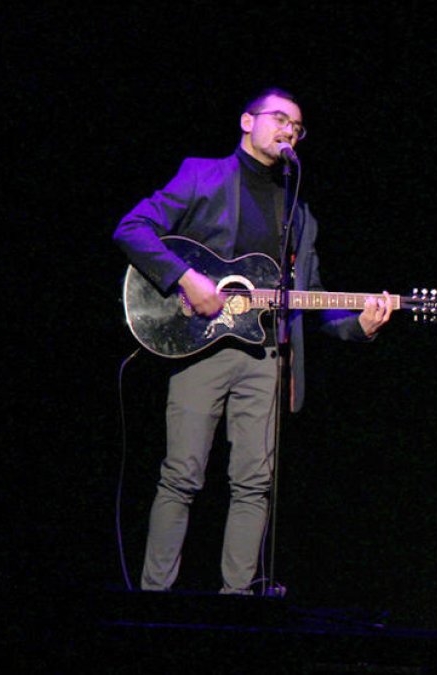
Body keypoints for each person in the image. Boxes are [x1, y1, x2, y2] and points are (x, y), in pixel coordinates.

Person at [113, 87, 393, 595]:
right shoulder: (202, 175)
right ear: (247, 121)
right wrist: (186, 278)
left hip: (265, 357)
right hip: (201, 348)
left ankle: (238, 599)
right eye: (280, 119)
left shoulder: (299, 214)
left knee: (254, 483)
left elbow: (311, 299)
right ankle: (153, 600)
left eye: (297, 127)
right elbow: (132, 229)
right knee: (181, 476)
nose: (289, 131)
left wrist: (360, 325)